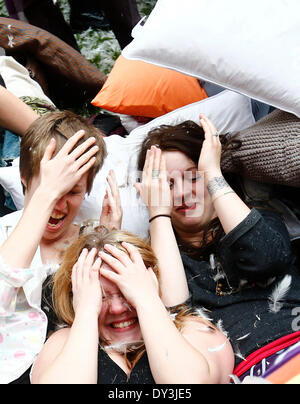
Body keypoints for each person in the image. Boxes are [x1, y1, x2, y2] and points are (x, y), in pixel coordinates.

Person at [135, 114, 300, 381]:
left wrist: (212, 174)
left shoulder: (258, 219)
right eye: (167, 185)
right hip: (248, 373)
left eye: (192, 177)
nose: (181, 194)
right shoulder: (162, 259)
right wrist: (159, 214)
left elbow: (266, 257)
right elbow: (172, 314)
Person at [31, 229, 234, 384]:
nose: (117, 308)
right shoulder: (65, 341)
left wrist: (146, 299)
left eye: (127, 291)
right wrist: (86, 313)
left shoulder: (192, 330)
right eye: (100, 296)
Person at [0, 109, 113, 384]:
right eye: (52, 188)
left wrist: (108, 243)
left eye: (72, 192)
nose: (59, 206)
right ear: (24, 180)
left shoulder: (93, 236)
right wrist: (45, 196)